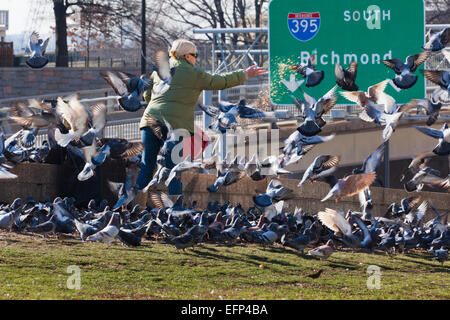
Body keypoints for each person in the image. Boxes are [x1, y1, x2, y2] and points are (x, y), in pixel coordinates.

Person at [135, 38, 266, 200]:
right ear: (186, 56)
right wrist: (245, 74)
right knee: (174, 169)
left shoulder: (160, 70)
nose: (196, 58)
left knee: (147, 166)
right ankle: (175, 210)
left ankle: (135, 205)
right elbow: (220, 81)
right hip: (176, 126)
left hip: (149, 121)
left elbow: (147, 94)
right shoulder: (193, 73)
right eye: (194, 55)